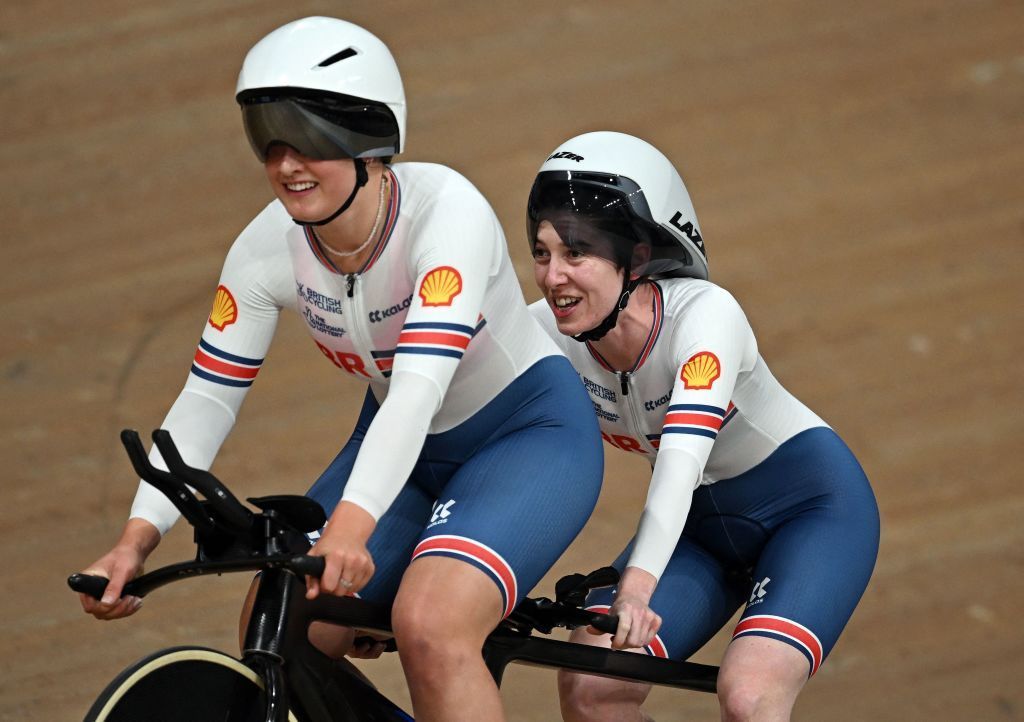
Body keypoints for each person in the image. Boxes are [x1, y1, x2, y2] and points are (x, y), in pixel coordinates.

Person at [77, 17, 604, 722]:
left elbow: (418, 392)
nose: (287, 164)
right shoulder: (267, 249)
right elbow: (207, 397)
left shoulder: (448, 216)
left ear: (369, 139)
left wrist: (352, 527)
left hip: (526, 438)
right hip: (403, 449)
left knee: (431, 624)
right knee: (281, 622)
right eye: (269, 139)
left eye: (310, 141)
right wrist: (135, 541)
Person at [527, 131, 879, 721]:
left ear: (636, 258)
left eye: (577, 253)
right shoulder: (544, 333)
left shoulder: (706, 318)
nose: (552, 277)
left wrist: (636, 589)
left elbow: (683, 460)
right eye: (542, 253)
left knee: (748, 695)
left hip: (813, 513)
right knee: (590, 690)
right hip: (698, 532)